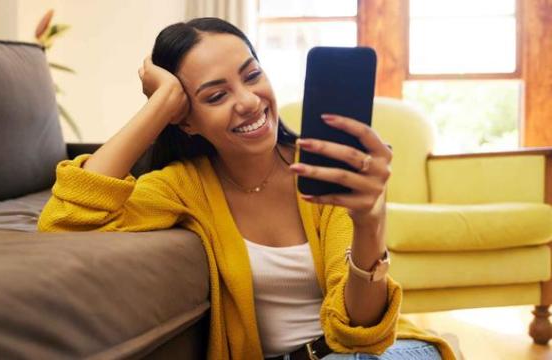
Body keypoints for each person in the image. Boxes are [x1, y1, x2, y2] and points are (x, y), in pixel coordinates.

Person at [38, 17, 455, 360]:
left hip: (383, 351)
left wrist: (369, 222)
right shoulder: (185, 186)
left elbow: (362, 334)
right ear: (185, 119)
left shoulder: (325, 169)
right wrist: (159, 103)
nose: (249, 102)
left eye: (252, 75)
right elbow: (66, 221)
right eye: (217, 95)